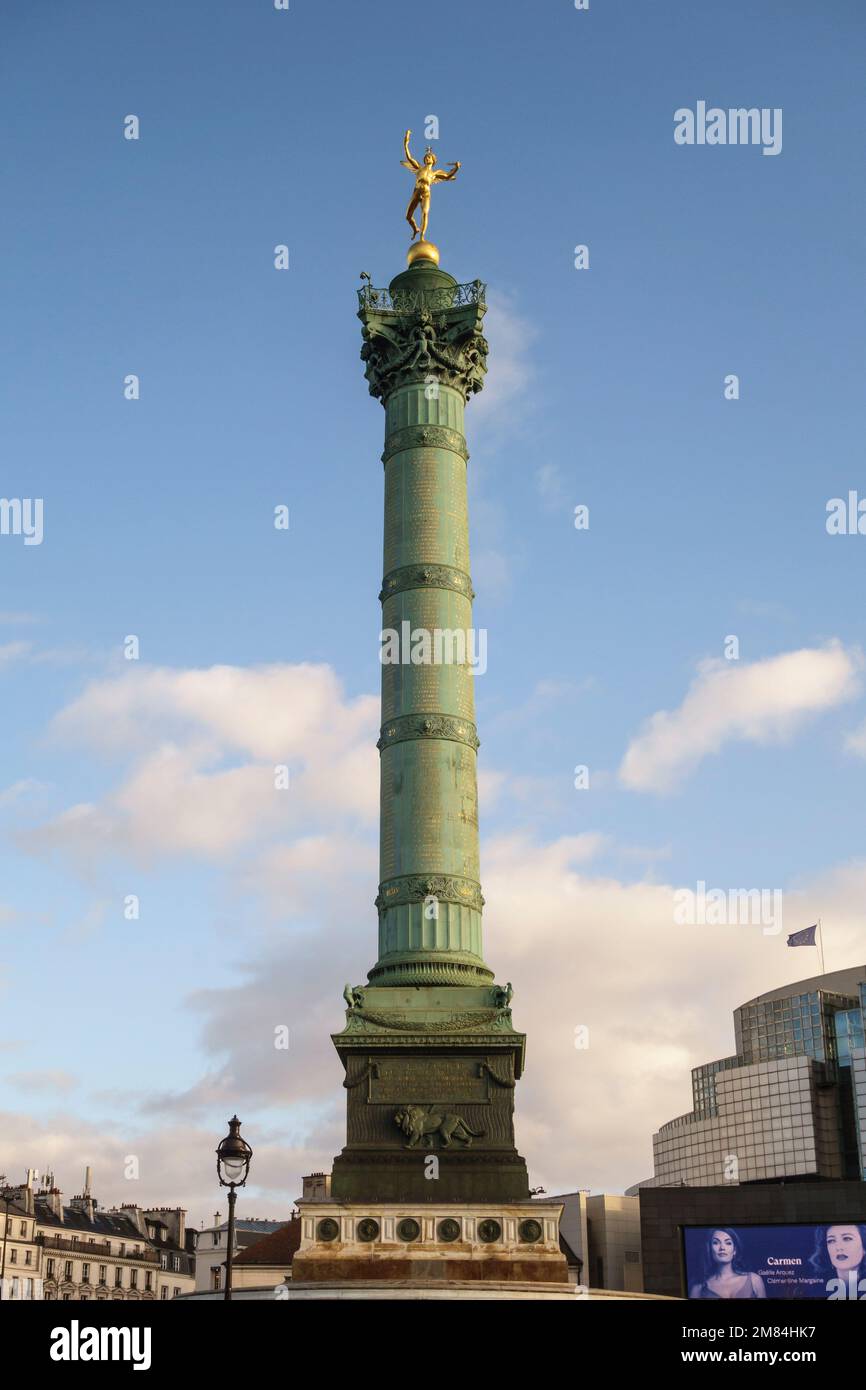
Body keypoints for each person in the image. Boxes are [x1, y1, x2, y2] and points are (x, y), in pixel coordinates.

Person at [401, 130, 460, 242]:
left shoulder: (435, 173)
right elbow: (409, 157)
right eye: (426, 158)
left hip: (426, 193)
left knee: (425, 213)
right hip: (417, 191)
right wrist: (406, 143)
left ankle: (422, 236)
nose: (427, 158)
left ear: (433, 160)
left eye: (429, 157)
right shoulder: (419, 168)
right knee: (408, 217)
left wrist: (456, 168)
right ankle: (415, 229)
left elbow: (447, 176)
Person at [689, 1227, 767, 1299]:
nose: (722, 1248)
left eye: (728, 1243)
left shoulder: (754, 1280)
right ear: (709, 1249)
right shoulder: (698, 1288)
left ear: (734, 1250)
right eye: (716, 1243)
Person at [810, 1224, 866, 1299]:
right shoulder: (814, 1289)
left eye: (847, 1239)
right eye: (831, 1241)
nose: (838, 1247)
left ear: (864, 1247)